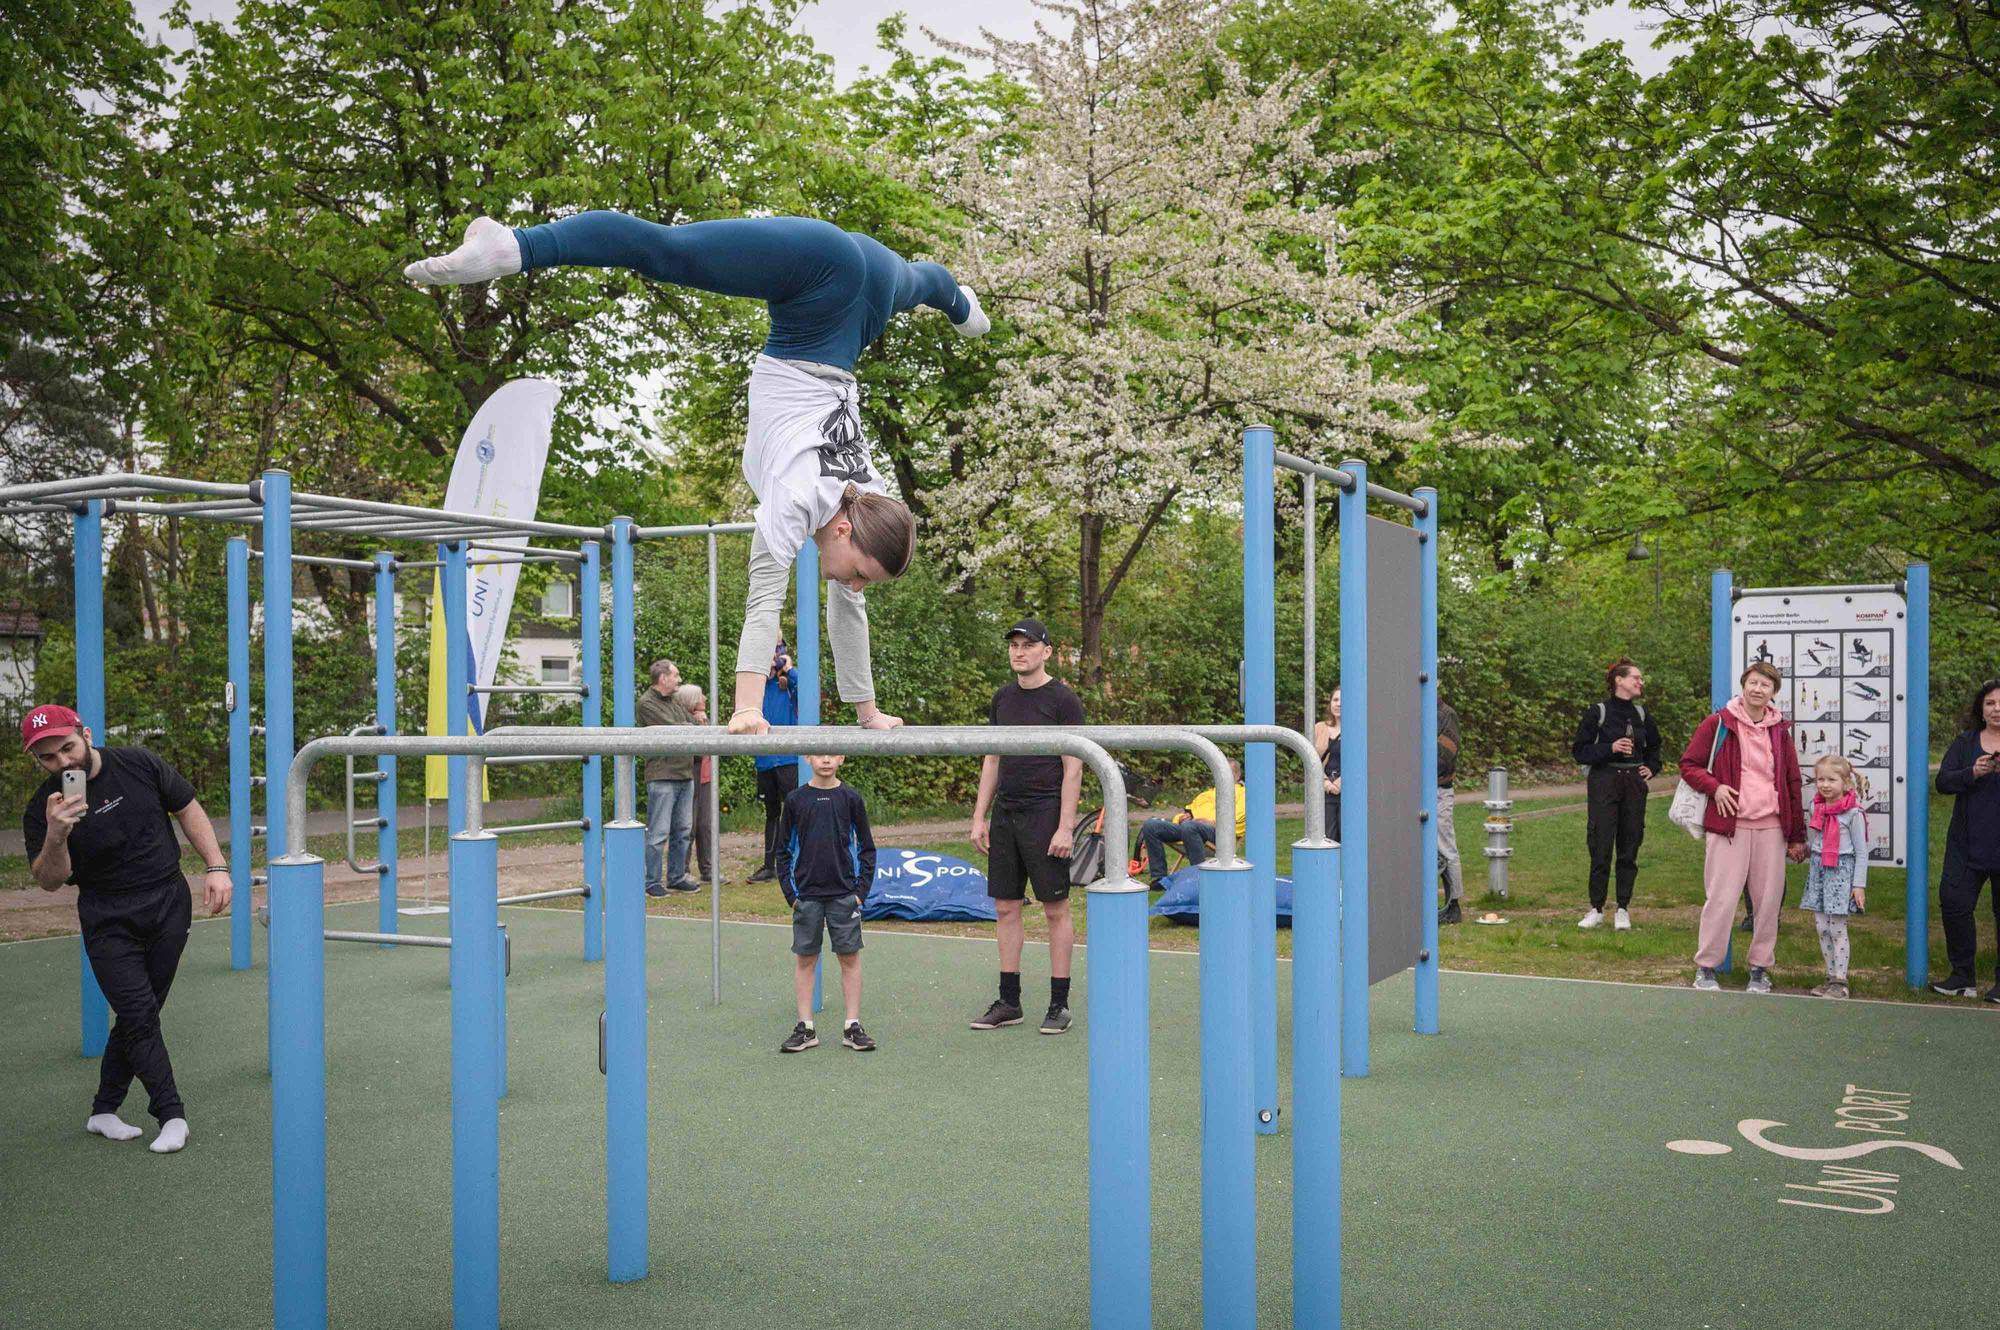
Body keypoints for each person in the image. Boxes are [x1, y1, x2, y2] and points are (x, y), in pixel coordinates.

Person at [405, 213, 988, 738]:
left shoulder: (873, 496)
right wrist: (747, 708)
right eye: (860, 575)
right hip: (820, 280)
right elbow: (764, 604)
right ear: (842, 530)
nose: (855, 588)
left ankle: (960, 304)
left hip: (873, 288)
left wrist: (868, 714)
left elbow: (847, 609)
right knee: (665, 252)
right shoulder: (795, 499)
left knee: (922, 282)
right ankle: (514, 247)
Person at [20, 704, 231, 1154]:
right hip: (107, 915)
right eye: (48, 758)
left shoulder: (139, 763)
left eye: (67, 748)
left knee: (142, 1013)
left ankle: (104, 1110)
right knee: (138, 1014)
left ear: (86, 734)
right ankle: (171, 1114)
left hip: (168, 902)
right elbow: (50, 880)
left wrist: (216, 866)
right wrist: (57, 834)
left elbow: (187, 807)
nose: (62, 762)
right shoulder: (43, 808)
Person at [969, 619, 1085, 1035]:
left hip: (1045, 813)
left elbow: (1073, 768)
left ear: (1046, 652)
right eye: (1014, 646)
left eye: (1028, 645)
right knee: (1005, 906)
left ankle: (1059, 1004)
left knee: (1055, 908)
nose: (1019, 652)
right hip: (1006, 813)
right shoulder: (1003, 698)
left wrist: (1066, 827)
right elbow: (992, 758)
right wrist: (979, 816)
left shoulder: (1064, 700)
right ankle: (1009, 1001)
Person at [1679, 661, 1806, 993]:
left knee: (1768, 903)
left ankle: (1760, 969)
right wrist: (1715, 787)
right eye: (1753, 682)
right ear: (1743, 685)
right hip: (1728, 827)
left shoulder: (1780, 731)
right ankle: (1706, 967)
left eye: (1765, 685)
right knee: (1721, 899)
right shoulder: (1719, 723)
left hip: (1771, 827)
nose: (1758, 689)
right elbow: (1689, 764)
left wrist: (1797, 835)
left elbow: (1792, 782)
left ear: (1773, 692)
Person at [775, 753, 877, 1053]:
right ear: (808, 758)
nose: (826, 760)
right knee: (806, 960)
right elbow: (782, 850)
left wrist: (860, 892)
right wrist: (791, 895)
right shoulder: (795, 800)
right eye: (820, 754)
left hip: (844, 895)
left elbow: (867, 848)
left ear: (842, 758)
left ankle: (852, 1026)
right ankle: (805, 1028)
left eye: (833, 754)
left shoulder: (851, 798)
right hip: (806, 897)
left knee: (849, 958)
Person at [1572, 659, 1663, 931]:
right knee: (1600, 846)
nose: (1640, 682)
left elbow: (1655, 747)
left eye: (1641, 679)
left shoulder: (1642, 714)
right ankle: (1596, 908)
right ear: (1619, 680)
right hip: (1604, 781)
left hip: (1633, 784)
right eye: (1636, 678)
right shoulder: (1598, 712)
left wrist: (1652, 767)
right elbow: (1579, 751)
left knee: (1629, 846)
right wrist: (1610, 748)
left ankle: (1623, 908)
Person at [1930, 678, 2000, 1001]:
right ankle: (1962, 977)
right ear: (1981, 710)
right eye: (1990, 703)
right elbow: (1943, 782)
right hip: (1966, 843)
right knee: (1954, 903)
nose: (1996, 709)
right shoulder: (1965, 742)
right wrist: (1972, 772)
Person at [1800, 754, 1868, 999]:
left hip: (1840, 872)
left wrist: (1859, 885)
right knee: (1821, 927)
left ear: (1845, 782)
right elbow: (1815, 840)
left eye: (1832, 780)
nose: (1825, 785)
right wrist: (1803, 850)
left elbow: (1861, 852)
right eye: (1821, 779)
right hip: (1818, 871)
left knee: (1837, 928)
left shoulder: (1853, 814)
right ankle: (1830, 977)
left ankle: (1841, 981)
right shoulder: (1815, 808)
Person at [635, 660, 699, 896]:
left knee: (683, 830)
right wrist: (689, 726)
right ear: (663, 678)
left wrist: (689, 726)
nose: (679, 680)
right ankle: (652, 881)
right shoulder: (647, 703)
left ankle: (676, 876)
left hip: (684, 774)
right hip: (662, 776)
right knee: (659, 832)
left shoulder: (675, 700)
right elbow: (672, 729)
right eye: (676, 675)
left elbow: (692, 724)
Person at [1137, 759, 1245, 889]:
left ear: (1237, 776)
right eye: (1219, 772)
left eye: (1227, 772)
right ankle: (1160, 879)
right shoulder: (1206, 794)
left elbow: (1237, 822)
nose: (1222, 776)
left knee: (1190, 827)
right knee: (1151, 825)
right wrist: (1181, 818)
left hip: (1219, 834)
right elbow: (1187, 812)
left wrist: (1212, 822)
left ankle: (1198, 879)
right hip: (1190, 829)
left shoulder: (1243, 795)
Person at [748, 642, 800, 884]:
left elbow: (807, 693)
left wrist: (790, 670)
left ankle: (797, 863)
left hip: (789, 759)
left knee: (796, 811)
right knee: (772, 814)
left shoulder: (787, 685)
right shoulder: (754, 690)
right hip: (765, 760)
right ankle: (770, 866)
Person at [678, 684, 715, 883]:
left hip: (706, 778)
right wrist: (698, 725)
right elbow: (697, 752)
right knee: (688, 825)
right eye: (701, 696)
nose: (705, 699)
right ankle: (682, 870)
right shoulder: (683, 721)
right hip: (691, 776)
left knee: (706, 825)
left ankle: (708, 869)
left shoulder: (704, 719)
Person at [1436, 698, 1465, 923]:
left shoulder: (1446, 715)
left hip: (1439, 790)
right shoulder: (1410, 710)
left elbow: (1445, 757)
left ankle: (1454, 904)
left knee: (1445, 846)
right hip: (1412, 789)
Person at [1314, 688, 1342, 841]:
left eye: (1342, 700)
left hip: (1347, 792)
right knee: (1328, 837)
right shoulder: (1319, 728)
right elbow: (1309, 757)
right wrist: (1325, 782)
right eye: (1335, 700)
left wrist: (1340, 783)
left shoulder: (1357, 730)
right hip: (1323, 791)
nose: (1338, 704)